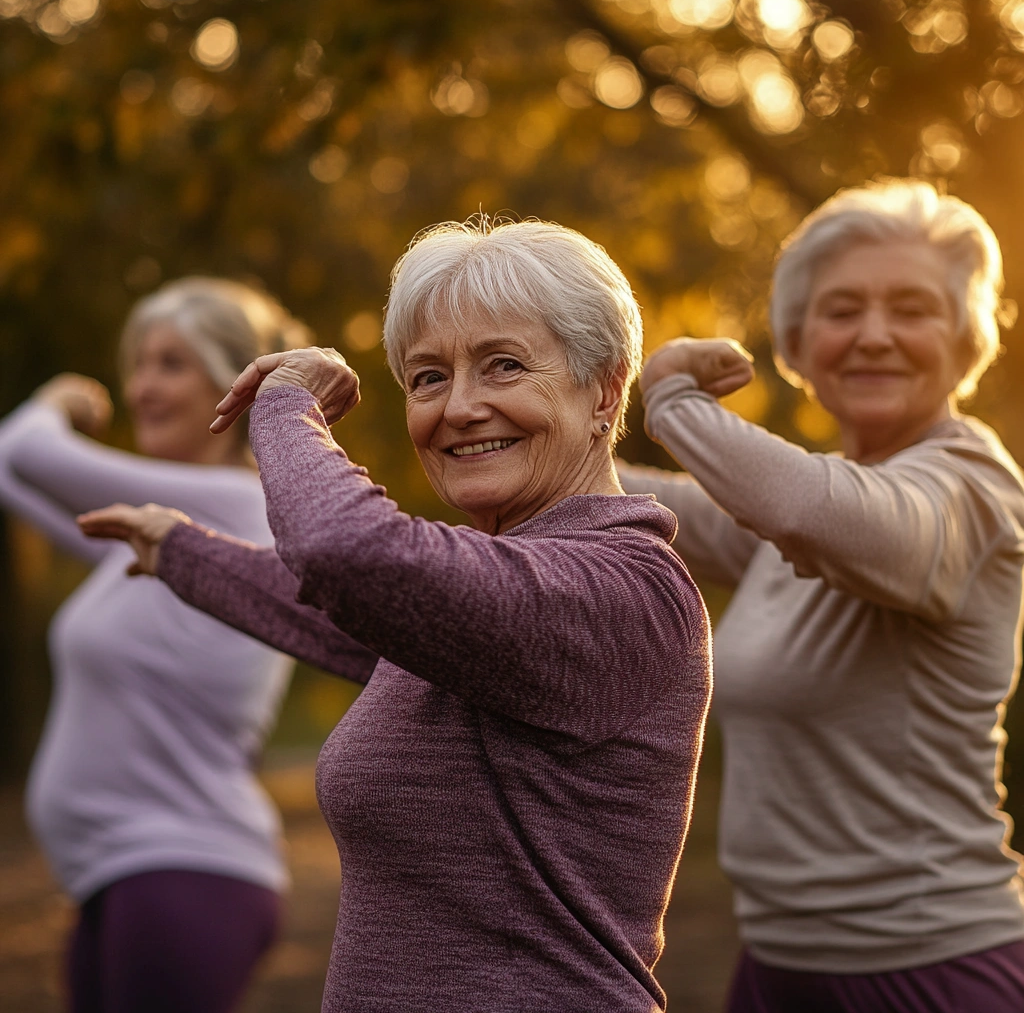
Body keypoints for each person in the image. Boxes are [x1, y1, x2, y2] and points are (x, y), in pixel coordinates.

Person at [78, 218, 713, 1013]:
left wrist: (287, 404)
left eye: (504, 366)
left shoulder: (624, 588)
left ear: (605, 389)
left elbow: (351, 557)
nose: (461, 408)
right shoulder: (508, 586)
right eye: (427, 378)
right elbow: (355, 616)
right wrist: (181, 550)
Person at [618, 180, 1024, 1012]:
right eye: (842, 310)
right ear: (799, 343)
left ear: (964, 337)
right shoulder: (800, 499)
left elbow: (806, 509)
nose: (874, 335)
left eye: (911, 307)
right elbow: (641, 508)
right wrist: (511, 434)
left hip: (932, 974)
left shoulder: (971, 492)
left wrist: (671, 397)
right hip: (776, 967)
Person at [0, 277, 309, 1013]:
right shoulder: (149, 536)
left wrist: (60, 403)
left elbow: (21, 451)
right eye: (136, 363)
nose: (140, 386)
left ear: (233, 388)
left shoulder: (237, 503)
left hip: (184, 875)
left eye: (170, 364)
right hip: (128, 878)